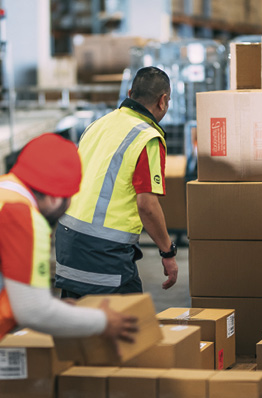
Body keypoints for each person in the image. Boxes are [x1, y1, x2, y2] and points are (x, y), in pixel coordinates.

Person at [0, 132, 138, 344]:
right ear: (55, 197)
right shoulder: (22, 216)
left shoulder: (5, 194)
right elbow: (33, 311)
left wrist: (58, 309)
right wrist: (102, 321)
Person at [55, 66, 178, 298]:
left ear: (130, 93)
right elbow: (147, 206)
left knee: (77, 322)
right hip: (103, 249)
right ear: (162, 101)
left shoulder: (98, 125)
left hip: (67, 238)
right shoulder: (147, 137)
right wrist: (167, 252)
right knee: (128, 324)